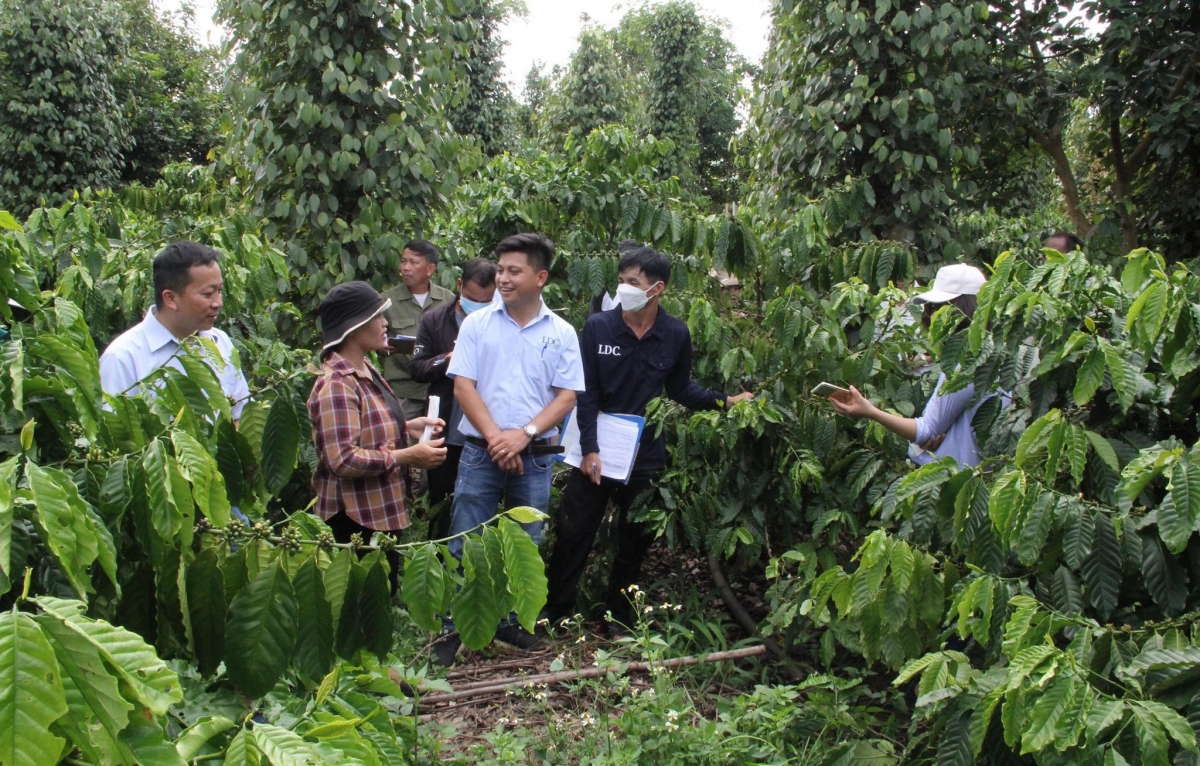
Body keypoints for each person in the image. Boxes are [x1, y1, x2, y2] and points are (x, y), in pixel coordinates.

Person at [542, 244, 754, 632]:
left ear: (657, 289)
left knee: (634, 537)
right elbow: (585, 392)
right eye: (621, 280)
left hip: (643, 451)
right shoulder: (599, 327)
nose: (623, 288)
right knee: (575, 530)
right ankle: (555, 612)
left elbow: (681, 389)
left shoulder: (675, 334)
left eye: (633, 282)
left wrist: (726, 402)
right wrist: (589, 448)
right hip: (595, 446)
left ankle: (619, 617)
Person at [434, 232, 585, 664]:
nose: (502, 278)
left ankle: (511, 622)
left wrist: (524, 434)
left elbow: (566, 396)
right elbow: (464, 387)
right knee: (466, 538)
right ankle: (452, 627)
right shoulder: (477, 325)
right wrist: (499, 438)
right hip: (480, 451)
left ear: (540, 277)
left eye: (514, 271)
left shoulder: (561, 333)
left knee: (524, 543)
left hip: (534, 457)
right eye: (500, 269)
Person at [307, 282, 447, 588]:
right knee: (358, 600)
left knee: (383, 593)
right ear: (353, 327)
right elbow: (343, 459)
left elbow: (367, 426)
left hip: (378, 510)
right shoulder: (337, 384)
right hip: (354, 518)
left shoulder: (366, 368)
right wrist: (408, 456)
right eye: (377, 317)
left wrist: (407, 427)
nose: (385, 323)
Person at [828, 263, 1003, 468]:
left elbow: (927, 430)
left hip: (960, 475)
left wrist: (871, 412)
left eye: (939, 308)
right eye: (932, 308)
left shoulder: (967, 363)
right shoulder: (996, 351)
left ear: (963, 310)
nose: (932, 316)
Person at [100, 241, 250, 420]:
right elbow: (116, 427)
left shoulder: (220, 342)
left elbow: (238, 416)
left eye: (220, 291)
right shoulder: (123, 358)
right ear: (170, 298)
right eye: (208, 294)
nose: (218, 302)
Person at [408, 258, 498, 538]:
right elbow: (417, 368)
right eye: (473, 299)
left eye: (486, 301)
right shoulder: (435, 320)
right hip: (445, 429)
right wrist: (447, 360)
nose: (478, 306)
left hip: (484, 434)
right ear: (460, 285)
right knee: (442, 502)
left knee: (479, 507)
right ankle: (436, 553)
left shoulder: (500, 322)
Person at [381, 240, 455, 420]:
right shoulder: (387, 301)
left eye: (413, 262)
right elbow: (373, 338)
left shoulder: (448, 300)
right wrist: (381, 345)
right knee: (401, 434)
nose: (406, 268)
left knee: (439, 435)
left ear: (430, 269)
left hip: (440, 388)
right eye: (403, 261)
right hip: (403, 390)